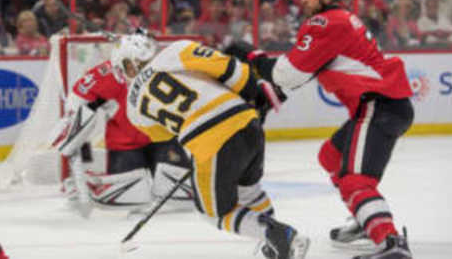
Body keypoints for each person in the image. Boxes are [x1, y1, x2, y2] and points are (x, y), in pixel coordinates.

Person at [225, 0, 415, 259]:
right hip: (381, 105)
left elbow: (287, 75)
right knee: (331, 156)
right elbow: (301, 73)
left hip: (378, 106)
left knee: (355, 180)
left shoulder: (326, 23)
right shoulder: (337, 21)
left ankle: (390, 242)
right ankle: (366, 219)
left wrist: (252, 57)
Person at [114, 34, 309, 259]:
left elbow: (165, 133)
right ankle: (273, 245)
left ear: (128, 66)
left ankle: (277, 235)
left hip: (209, 141)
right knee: (249, 192)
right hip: (246, 122)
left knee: (214, 213)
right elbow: (234, 71)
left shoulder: (132, 108)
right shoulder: (176, 50)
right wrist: (254, 96)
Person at [51, 43, 194, 216]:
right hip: (125, 145)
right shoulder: (105, 76)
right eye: (136, 65)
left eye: (145, 63)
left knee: (179, 193)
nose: (141, 70)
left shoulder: (162, 71)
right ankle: (90, 183)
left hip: (161, 139)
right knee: (132, 197)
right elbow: (76, 105)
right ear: (121, 63)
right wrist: (73, 129)